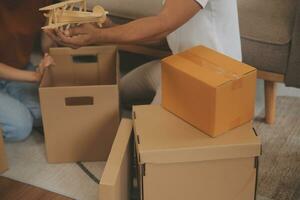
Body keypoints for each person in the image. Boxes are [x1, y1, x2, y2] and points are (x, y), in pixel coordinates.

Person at [46, 0, 242, 105]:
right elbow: (162, 39)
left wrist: (97, 36)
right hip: (180, 66)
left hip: (215, 78)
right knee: (116, 94)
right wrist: (107, 29)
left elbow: (162, 24)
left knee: (145, 140)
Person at [0, 0, 55, 142]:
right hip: (22, 73)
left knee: (47, 115)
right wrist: (34, 76)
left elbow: (46, 45)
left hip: (20, 68)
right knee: (19, 127)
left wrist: (47, 59)